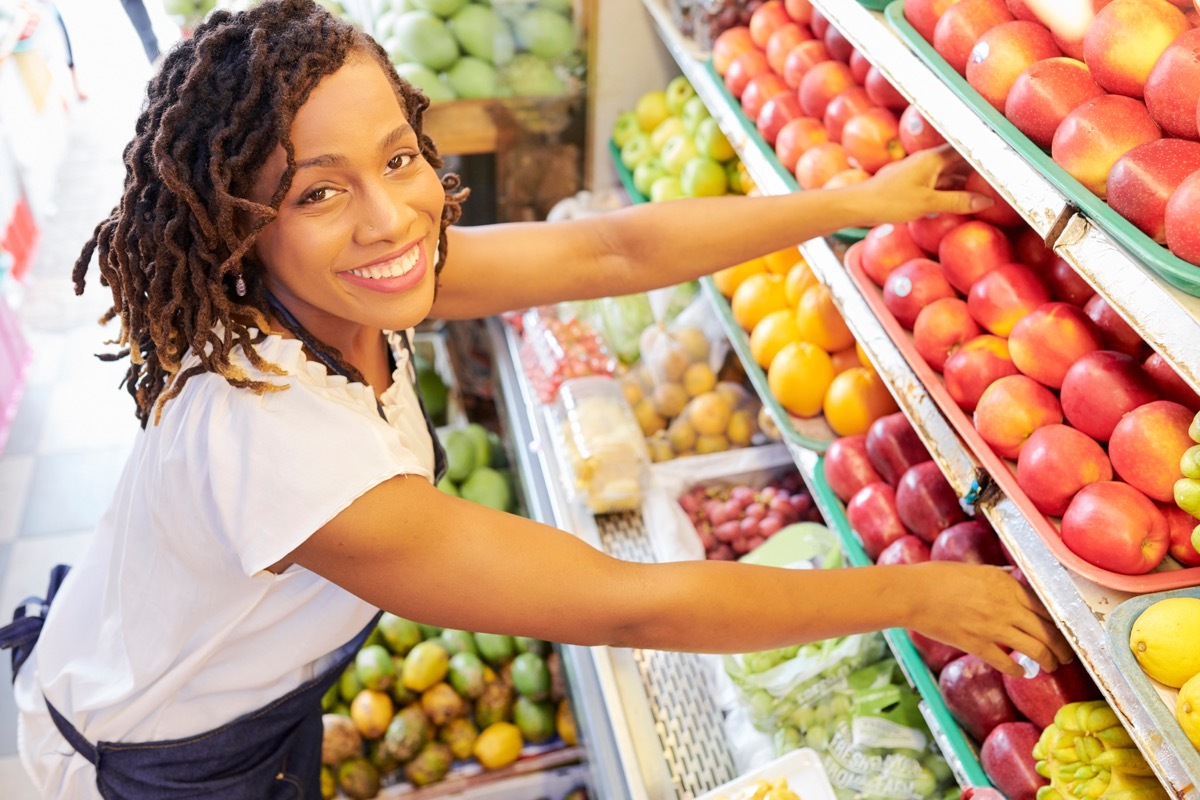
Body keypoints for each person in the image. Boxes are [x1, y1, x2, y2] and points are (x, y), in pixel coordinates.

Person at [1, 1, 1072, 797]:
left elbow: (607, 247)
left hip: (203, 675)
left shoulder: (341, 282)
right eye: (319, 189)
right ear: (246, 222)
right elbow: (629, 601)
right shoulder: (289, 451)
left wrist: (849, 202)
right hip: (150, 749)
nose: (392, 219)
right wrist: (915, 594)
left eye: (400, 158)